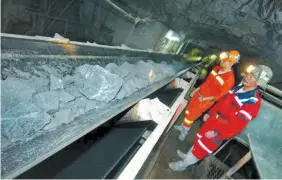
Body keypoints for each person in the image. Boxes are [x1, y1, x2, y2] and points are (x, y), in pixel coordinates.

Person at [169, 64, 273, 171]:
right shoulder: (239, 88)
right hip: (213, 120)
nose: (247, 77)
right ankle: (187, 156)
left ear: (258, 83)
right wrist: (210, 113)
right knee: (199, 139)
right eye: (248, 74)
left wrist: (216, 133)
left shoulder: (252, 102)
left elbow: (237, 126)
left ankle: (182, 165)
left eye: (251, 77)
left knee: (202, 149)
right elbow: (222, 102)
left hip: (220, 130)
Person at [174, 50, 240, 141]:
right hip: (199, 94)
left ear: (231, 63)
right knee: (188, 111)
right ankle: (182, 126)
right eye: (222, 59)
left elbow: (219, 96)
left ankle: (185, 131)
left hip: (206, 100)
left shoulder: (229, 79)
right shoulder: (216, 68)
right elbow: (207, 82)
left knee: (192, 116)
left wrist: (204, 98)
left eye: (224, 60)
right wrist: (197, 90)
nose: (221, 61)